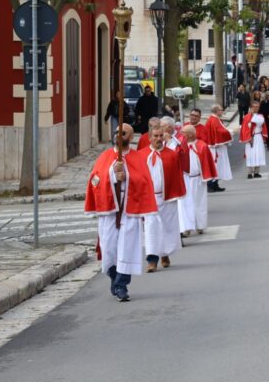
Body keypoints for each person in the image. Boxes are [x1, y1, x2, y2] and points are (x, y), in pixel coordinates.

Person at [85, 123, 156, 302]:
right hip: (110, 210)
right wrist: (111, 175)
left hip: (129, 210)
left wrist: (127, 177)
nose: (118, 135)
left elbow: (144, 181)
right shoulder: (105, 156)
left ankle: (121, 285)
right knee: (109, 248)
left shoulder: (137, 158)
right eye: (116, 132)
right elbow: (95, 179)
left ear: (131, 137)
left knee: (127, 248)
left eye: (123, 133)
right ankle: (114, 278)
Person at [139, 124, 186, 272]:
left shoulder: (171, 155)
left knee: (166, 227)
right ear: (149, 137)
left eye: (161, 136)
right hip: (148, 199)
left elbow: (177, 175)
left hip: (166, 198)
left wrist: (176, 194)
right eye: (155, 136)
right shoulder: (141, 155)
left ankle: (164, 254)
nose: (159, 139)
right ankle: (152, 260)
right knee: (151, 227)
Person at [178, 125, 217, 236]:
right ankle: (187, 227)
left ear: (190, 134)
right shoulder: (180, 145)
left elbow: (207, 162)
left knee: (199, 203)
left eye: (184, 132)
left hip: (198, 179)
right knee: (186, 204)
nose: (181, 134)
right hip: (185, 179)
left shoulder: (202, 146)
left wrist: (206, 176)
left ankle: (200, 225)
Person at [204, 104, 233, 192]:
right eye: (221, 110)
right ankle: (210, 185)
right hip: (215, 148)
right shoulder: (214, 120)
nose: (222, 111)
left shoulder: (214, 119)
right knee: (215, 166)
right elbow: (219, 131)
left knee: (219, 166)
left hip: (218, 147)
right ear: (216, 111)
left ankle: (215, 184)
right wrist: (231, 132)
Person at [240, 100, 268, 178]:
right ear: (251, 107)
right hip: (251, 138)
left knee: (258, 154)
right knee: (250, 154)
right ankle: (249, 172)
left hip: (258, 137)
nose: (256, 108)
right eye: (255, 107)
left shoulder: (260, 116)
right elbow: (245, 129)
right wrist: (249, 138)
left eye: (258, 107)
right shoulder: (247, 117)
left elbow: (263, 126)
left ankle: (256, 172)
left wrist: (264, 137)